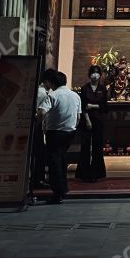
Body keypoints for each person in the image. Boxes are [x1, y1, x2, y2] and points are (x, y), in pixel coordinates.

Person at [38, 69, 80, 204]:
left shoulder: (53, 95)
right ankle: (64, 188)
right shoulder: (75, 96)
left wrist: (38, 120)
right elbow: (78, 116)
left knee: (54, 162)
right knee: (62, 160)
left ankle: (58, 193)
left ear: (51, 82)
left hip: (55, 132)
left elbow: (42, 112)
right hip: (70, 132)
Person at [76, 64, 108, 182]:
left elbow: (105, 106)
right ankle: (84, 173)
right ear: (90, 75)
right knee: (85, 147)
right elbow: (83, 106)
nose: (95, 75)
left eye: (97, 73)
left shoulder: (103, 88)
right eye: (93, 73)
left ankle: (97, 173)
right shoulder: (84, 89)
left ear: (100, 75)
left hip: (99, 120)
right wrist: (87, 120)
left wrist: (93, 106)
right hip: (86, 120)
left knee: (97, 146)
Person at [31, 80, 51, 191]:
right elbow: (40, 112)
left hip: (38, 125)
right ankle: (38, 179)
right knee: (39, 154)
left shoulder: (42, 91)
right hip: (37, 125)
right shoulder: (42, 93)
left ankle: (39, 178)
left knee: (39, 154)